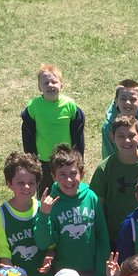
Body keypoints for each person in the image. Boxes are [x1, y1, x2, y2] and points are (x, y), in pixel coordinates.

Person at [36, 145, 110, 276]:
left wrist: (102, 274)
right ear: (53, 175)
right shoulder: (50, 203)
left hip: (90, 271)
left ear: (81, 173)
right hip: (63, 273)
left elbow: (102, 237)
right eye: (62, 174)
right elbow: (43, 243)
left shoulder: (91, 197)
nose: (68, 179)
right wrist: (44, 214)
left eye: (73, 173)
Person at [90, 116, 138, 247]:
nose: (127, 140)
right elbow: (97, 208)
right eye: (121, 136)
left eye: (131, 135)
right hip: (114, 236)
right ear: (112, 137)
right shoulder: (105, 168)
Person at [20, 63, 85, 192]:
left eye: (54, 82)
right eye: (45, 83)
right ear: (39, 87)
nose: (50, 85)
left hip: (66, 159)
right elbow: (28, 135)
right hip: (44, 160)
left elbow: (78, 133)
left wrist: (78, 156)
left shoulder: (70, 106)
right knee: (46, 191)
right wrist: (31, 157)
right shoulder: (33, 107)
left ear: (62, 85)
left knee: (67, 188)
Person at [0, 151, 46, 276]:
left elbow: (51, 246)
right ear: (9, 184)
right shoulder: (2, 215)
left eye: (31, 182)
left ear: (37, 183)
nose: (27, 187)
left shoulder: (43, 209)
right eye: (20, 182)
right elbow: (3, 253)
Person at [100, 78, 138, 160]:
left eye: (132, 99)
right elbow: (107, 157)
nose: (127, 102)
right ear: (116, 101)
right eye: (123, 98)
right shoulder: (108, 126)